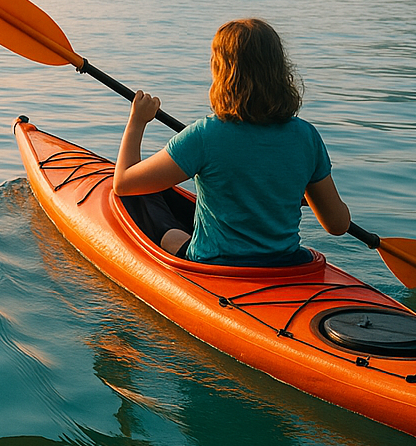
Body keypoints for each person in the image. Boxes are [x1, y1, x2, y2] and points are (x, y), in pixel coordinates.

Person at [113, 18, 351, 266]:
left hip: (218, 266)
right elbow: (337, 225)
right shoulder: (306, 137)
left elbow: (123, 183)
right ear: (280, 70)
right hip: (287, 263)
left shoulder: (204, 135)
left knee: (143, 197)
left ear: (221, 72)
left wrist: (138, 121)